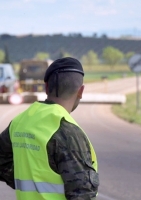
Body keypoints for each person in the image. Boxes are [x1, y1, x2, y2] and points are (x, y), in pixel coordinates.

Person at [0, 57, 99, 200]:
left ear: (46, 87)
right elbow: (83, 194)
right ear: (80, 91)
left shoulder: (20, 121)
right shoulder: (67, 131)